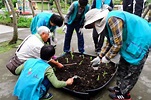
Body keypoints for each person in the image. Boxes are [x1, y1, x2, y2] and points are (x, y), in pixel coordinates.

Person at [84, 8, 151, 100]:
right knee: (122, 65)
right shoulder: (108, 22)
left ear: (97, 20)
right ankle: (120, 88)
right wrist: (99, 57)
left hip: (141, 40)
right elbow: (110, 41)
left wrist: (106, 58)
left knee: (132, 71)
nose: (93, 27)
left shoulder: (112, 19)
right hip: (131, 39)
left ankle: (124, 95)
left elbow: (118, 44)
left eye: (92, 24)